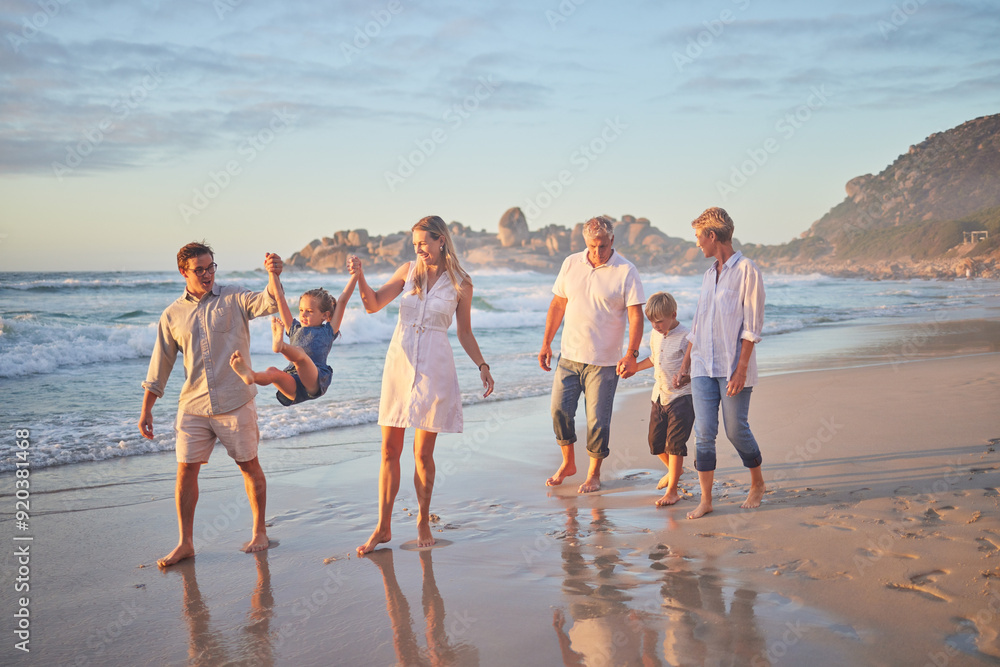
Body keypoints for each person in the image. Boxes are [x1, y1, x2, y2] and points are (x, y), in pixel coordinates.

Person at [353, 215, 495, 555]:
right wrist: (359, 277)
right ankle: (383, 526)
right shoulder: (407, 271)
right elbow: (372, 305)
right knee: (389, 449)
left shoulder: (461, 282)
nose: (419, 250)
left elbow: (464, 332)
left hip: (435, 365)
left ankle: (421, 518)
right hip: (399, 365)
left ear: (440, 240)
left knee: (422, 453)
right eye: (414, 244)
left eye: (424, 243)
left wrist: (483, 365)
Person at [139, 242, 282, 567]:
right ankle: (185, 543)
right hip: (193, 406)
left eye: (211, 267)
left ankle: (259, 530)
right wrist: (147, 407)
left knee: (249, 466)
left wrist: (273, 275)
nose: (206, 274)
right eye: (199, 269)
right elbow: (159, 365)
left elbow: (269, 302)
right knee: (185, 472)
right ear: (183, 272)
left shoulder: (234, 297)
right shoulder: (172, 315)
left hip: (235, 401)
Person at [539, 215, 645, 493]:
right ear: (584, 242)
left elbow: (636, 316)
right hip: (569, 357)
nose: (597, 252)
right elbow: (557, 305)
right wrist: (546, 343)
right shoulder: (571, 263)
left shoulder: (626, 270)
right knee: (559, 412)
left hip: (605, 362)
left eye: (602, 246)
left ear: (612, 240)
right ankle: (568, 464)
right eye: (592, 246)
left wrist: (632, 353)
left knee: (598, 420)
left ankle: (594, 474)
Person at [676, 207, 766, 519]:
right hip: (702, 366)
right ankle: (706, 499)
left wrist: (741, 369)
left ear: (712, 237)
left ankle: (757, 482)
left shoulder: (747, 271)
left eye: (699, 238)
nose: (697, 244)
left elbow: (752, 327)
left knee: (735, 430)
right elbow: (699, 324)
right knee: (703, 432)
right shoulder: (707, 275)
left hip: (731, 368)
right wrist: (686, 363)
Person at [229, 262, 357, 406]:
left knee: (300, 355)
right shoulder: (294, 328)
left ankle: (280, 346)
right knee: (273, 372)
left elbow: (343, 300)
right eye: (301, 310)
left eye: (309, 311)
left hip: (314, 380)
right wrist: (272, 273)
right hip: (293, 380)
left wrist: (355, 275)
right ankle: (251, 376)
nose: (303, 314)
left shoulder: (328, 330)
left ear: (324, 315)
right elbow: (279, 298)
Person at [634, 292, 694, 507]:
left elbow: (697, 366)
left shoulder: (687, 336)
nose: (655, 325)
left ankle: (673, 491)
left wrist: (687, 377)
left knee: (675, 445)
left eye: (659, 321)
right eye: (651, 321)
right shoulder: (655, 334)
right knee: (655, 443)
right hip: (658, 396)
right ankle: (674, 471)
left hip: (681, 398)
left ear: (673, 314)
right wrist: (634, 368)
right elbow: (653, 358)